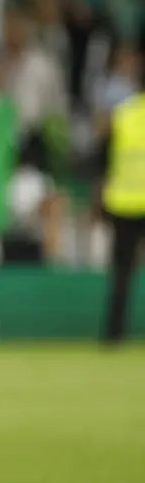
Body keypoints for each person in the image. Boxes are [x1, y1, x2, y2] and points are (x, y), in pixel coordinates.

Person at [99, 79, 145, 343]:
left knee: (121, 274)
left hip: (123, 201)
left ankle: (114, 334)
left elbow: (103, 156)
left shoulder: (123, 114)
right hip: (128, 201)